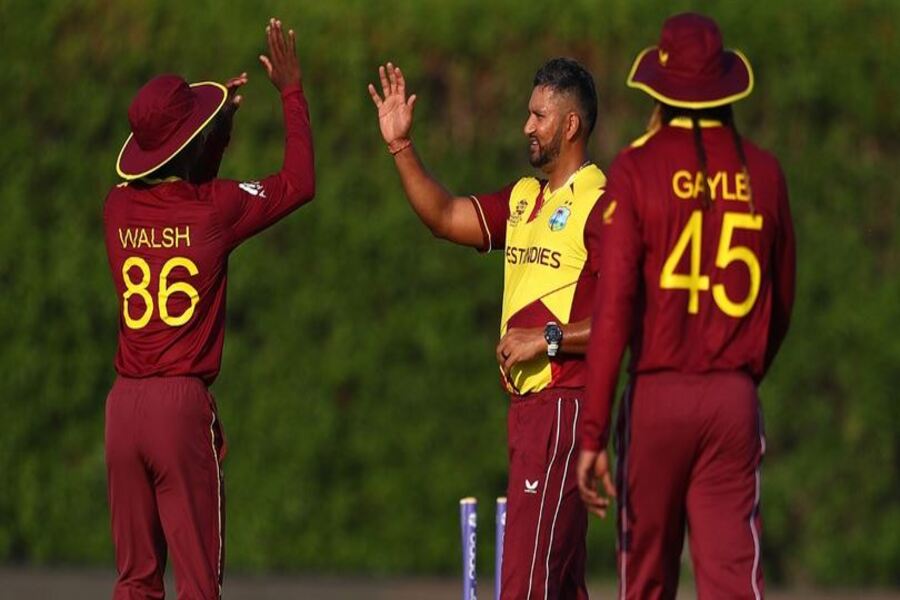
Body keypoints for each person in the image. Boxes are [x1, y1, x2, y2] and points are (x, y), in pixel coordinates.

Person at [576, 13, 796, 600]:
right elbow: (782, 302)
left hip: (656, 397)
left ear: (661, 89)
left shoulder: (636, 166)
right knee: (733, 583)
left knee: (646, 582)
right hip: (732, 399)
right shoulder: (765, 173)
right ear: (725, 88)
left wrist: (593, 431)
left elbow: (615, 308)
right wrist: (739, 378)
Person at [369, 58, 607, 599]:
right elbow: (444, 215)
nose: (527, 126)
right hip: (528, 414)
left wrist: (546, 338)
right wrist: (400, 146)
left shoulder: (601, 205)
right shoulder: (524, 198)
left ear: (571, 125)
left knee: (524, 585)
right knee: (558, 585)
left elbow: (629, 317)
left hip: (563, 409)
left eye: (539, 116)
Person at [103, 18, 314, 599]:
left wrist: (205, 129)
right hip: (179, 408)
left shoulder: (115, 209)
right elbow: (299, 182)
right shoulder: (215, 210)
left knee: (135, 582)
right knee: (199, 586)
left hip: (123, 408)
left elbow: (171, 179)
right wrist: (290, 93)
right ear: (196, 144)